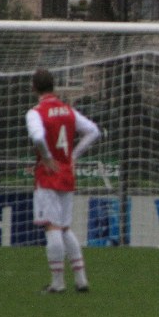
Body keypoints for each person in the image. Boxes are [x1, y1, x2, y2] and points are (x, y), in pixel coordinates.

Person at [25, 69, 101, 293]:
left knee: (52, 227)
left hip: (48, 175)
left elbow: (38, 137)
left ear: (34, 88)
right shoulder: (68, 110)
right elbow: (93, 131)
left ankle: (58, 283)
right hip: (67, 173)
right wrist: (73, 156)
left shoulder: (35, 112)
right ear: (54, 86)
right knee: (65, 227)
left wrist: (47, 157)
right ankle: (81, 279)